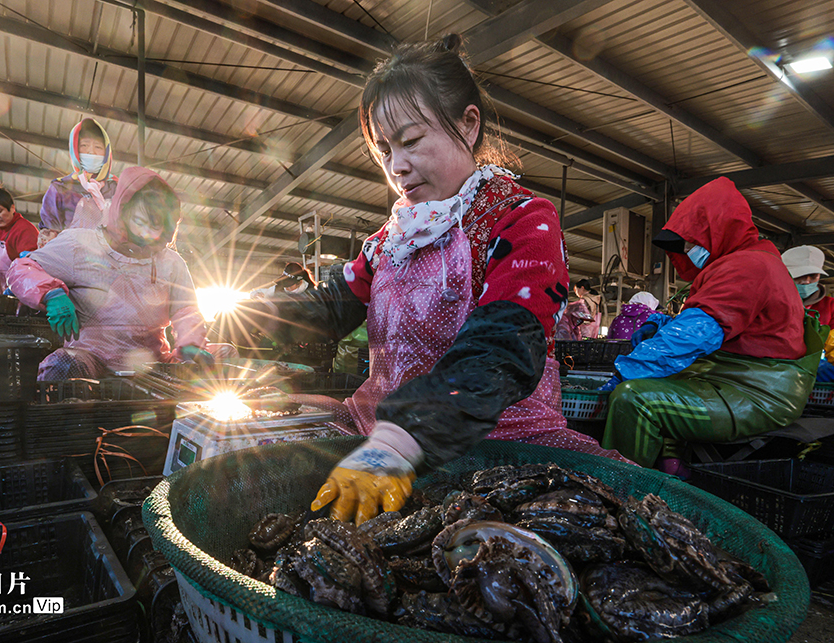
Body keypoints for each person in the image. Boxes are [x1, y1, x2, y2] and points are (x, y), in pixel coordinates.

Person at [223, 34, 626, 526]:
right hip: (375, 432)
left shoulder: (520, 221)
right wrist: (234, 320)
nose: (397, 166)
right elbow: (328, 308)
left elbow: (502, 346)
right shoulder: (389, 242)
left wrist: (403, 438)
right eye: (383, 149)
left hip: (502, 446)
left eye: (411, 141)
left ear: (468, 124)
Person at [600, 177, 823, 472]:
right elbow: (720, 324)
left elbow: (694, 334)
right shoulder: (743, 263)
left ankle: (620, 492)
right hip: (727, 378)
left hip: (758, 393)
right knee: (659, 383)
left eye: (694, 241)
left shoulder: (748, 266)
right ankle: (672, 470)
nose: (690, 249)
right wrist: (663, 325)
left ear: (719, 231)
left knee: (634, 399)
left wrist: (626, 370)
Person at [8, 166, 234, 380]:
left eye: (155, 226)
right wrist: (51, 294)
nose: (147, 233)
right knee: (61, 367)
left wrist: (191, 343)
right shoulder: (79, 244)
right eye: (140, 221)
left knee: (225, 355)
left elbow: (186, 310)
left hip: (154, 363)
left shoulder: (170, 262)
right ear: (122, 210)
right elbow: (22, 268)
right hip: (93, 360)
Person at [38, 117, 118, 247]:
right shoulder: (60, 188)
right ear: (74, 150)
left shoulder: (116, 188)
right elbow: (49, 232)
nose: (91, 151)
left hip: (110, 263)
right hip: (69, 260)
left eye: (98, 147)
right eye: (84, 145)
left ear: (107, 152)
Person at [782, 245, 834, 382]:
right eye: (799, 276)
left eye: (813, 276)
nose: (806, 281)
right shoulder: (771, 302)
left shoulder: (830, 306)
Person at [248, 262, 316, 300]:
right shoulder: (278, 288)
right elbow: (256, 292)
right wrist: (255, 294)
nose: (286, 288)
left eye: (289, 285)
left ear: (299, 282)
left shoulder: (312, 293)